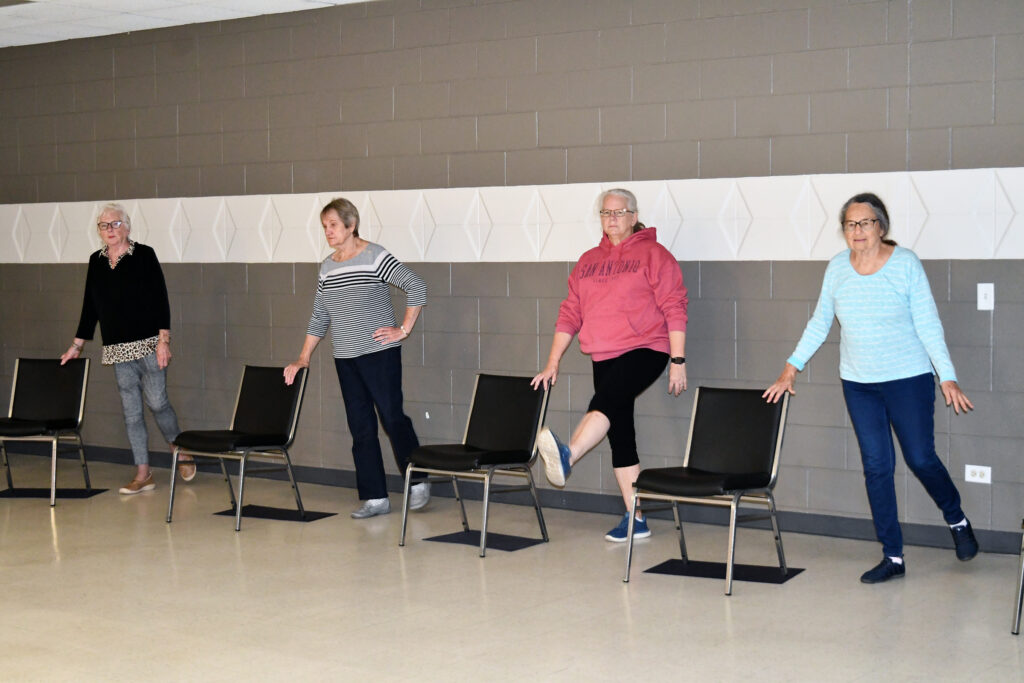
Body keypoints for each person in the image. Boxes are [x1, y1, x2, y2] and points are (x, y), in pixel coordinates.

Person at [763, 192, 978, 584]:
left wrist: (946, 375)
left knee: (920, 458)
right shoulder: (837, 269)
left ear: (881, 227)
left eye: (865, 223)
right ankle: (892, 556)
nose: (857, 231)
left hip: (908, 379)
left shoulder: (906, 265)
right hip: (859, 383)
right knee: (877, 467)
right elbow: (820, 321)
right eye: (850, 224)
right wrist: (790, 368)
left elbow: (928, 324)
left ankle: (957, 518)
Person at [532, 188, 688, 542]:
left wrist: (678, 360)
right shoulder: (588, 261)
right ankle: (637, 517)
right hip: (603, 354)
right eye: (606, 213)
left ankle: (569, 453)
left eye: (619, 212)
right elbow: (571, 312)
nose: (612, 219)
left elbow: (675, 306)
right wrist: (552, 361)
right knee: (620, 434)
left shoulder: (654, 254)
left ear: (634, 216)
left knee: (606, 402)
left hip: (647, 348)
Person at [284, 197, 429, 519]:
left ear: (351, 225)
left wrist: (402, 329)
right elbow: (320, 315)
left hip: (379, 354)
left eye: (333, 225)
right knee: (360, 427)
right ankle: (375, 496)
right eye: (324, 227)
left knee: (392, 417)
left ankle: (417, 479)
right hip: (345, 358)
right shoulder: (328, 266)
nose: (328, 232)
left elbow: (416, 286)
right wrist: (303, 357)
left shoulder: (375, 256)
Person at [61, 203, 193, 494]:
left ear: (127, 227)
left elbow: (160, 298)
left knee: (157, 402)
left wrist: (164, 341)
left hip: (149, 343)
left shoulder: (144, 255)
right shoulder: (96, 261)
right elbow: (89, 306)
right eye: (103, 225)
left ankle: (179, 448)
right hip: (117, 350)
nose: (109, 230)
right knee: (131, 413)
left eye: (115, 224)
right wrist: (76, 346)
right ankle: (143, 473)